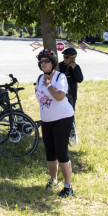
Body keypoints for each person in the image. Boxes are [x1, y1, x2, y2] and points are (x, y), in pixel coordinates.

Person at [35, 48, 75, 197]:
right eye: (41, 61)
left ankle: (68, 186)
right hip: (47, 120)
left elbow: (59, 96)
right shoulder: (39, 78)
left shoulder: (60, 77)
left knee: (61, 152)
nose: (43, 63)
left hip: (63, 118)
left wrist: (49, 85)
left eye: (46, 61)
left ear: (52, 63)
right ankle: (53, 180)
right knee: (50, 152)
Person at [58, 47, 84, 111]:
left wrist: (74, 69)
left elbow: (80, 79)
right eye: (64, 56)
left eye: (67, 57)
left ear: (72, 58)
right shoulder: (60, 66)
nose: (64, 59)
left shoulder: (76, 67)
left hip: (71, 94)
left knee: (70, 112)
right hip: (61, 93)